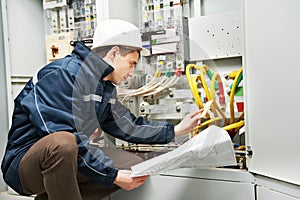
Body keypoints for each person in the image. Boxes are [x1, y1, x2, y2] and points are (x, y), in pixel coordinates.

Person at [1, 19, 202, 200]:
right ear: (114, 53)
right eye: (131, 63)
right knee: (62, 142)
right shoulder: (63, 74)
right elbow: (62, 136)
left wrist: (176, 130)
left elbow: (129, 126)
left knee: (133, 165)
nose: (131, 73)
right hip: (23, 165)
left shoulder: (104, 88)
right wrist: (112, 175)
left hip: (67, 157)